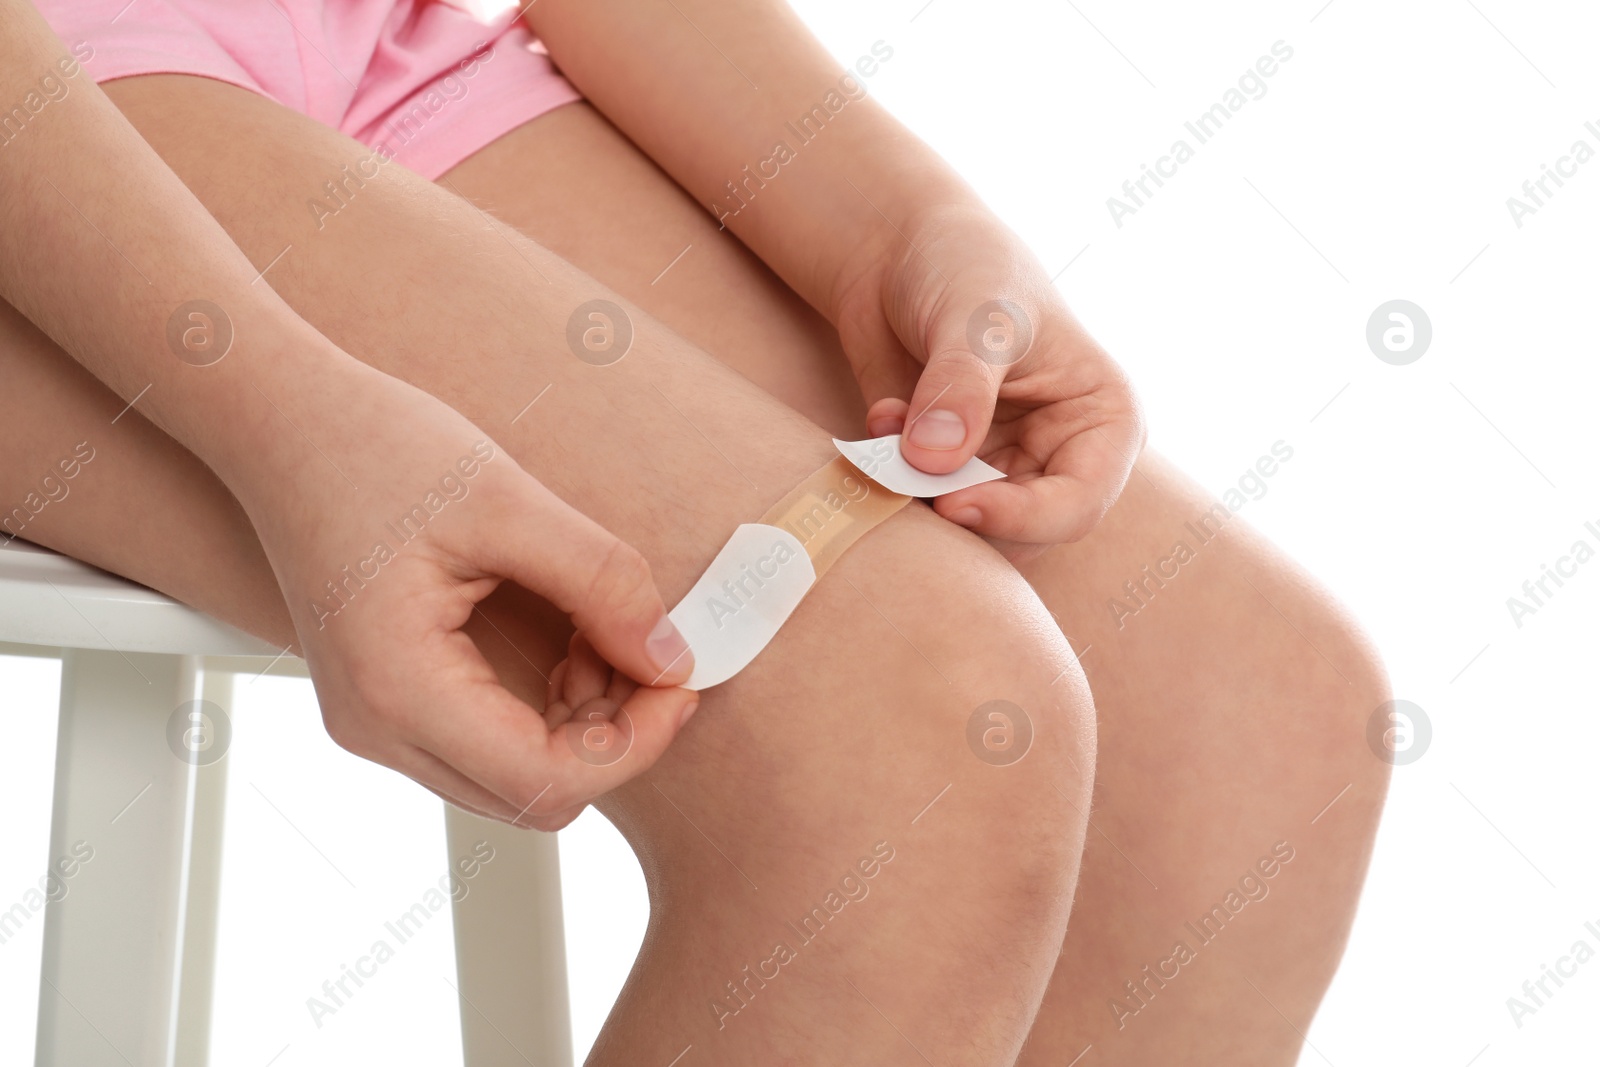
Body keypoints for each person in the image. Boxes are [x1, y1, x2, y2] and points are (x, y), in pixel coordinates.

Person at [0, 0, 1391, 1061]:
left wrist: (895, 222)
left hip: (358, 41)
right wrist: (284, 415)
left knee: (1260, 723)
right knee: (912, 734)